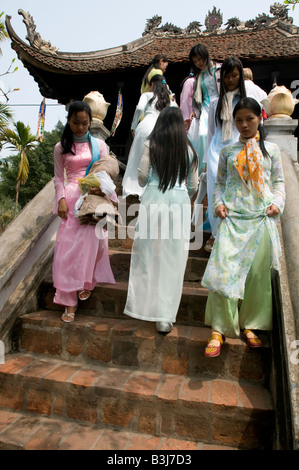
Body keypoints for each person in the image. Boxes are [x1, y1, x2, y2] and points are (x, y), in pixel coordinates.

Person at [201, 97, 285, 357]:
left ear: (260, 118)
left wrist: (278, 203)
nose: (244, 124)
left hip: (260, 219)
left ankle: (250, 323)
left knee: (257, 277)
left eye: (249, 119)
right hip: (232, 220)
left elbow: (279, 182)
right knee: (223, 272)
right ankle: (219, 328)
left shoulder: (271, 150)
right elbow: (220, 185)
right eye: (239, 120)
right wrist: (217, 204)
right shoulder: (228, 151)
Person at [124, 107, 198, 333]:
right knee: (173, 258)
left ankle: (145, 306)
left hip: (154, 198)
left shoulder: (151, 145)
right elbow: (194, 186)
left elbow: (143, 178)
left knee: (147, 253)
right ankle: (165, 317)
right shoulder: (190, 151)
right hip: (179, 201)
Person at [52, 101, 116, 323]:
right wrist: (60, 199)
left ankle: (86, 282)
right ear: (69, 120)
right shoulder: (60, 147)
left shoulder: (100, 145)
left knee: (92, 244)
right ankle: (68, 301)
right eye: (76, 123)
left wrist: (102, 187)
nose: (80, 127)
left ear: (91, 122)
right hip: (70, 200)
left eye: (84, 123)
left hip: (92, 198)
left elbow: (106, 173)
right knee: (68, 250)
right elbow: (59, 178)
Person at [201, 56, 247, 251]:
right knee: (214, 194)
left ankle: (233, 233)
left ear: (240, 76)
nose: (230, 80)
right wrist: (206, 162)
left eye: (234, 75)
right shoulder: (214, 104)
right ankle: (215, 234)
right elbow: (212, 133)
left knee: (235, 193)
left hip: (239, 151)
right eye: (226, 76)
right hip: (216, 153)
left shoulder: (246, 103)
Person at [122, 74, 177, 198]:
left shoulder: (147, 95)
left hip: (145, 126)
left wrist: (133, 126)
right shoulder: (170, 100)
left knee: (138, 157)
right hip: (162, 129)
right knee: (157, 161)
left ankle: (134, 187)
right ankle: (151, 190)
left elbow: (139, 108)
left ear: (152, 85)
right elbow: (176, 113)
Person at [180, 43, 220, 176]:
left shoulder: (218, 70)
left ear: (205, 56)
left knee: (218, 135)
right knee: (203, 135)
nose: (198, 63)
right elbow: (198, 99)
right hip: (205, 108)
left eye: (199, 59)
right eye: (195, 61)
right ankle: (203, 168)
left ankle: (218, 165)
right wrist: (194, 111)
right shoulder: (198, 77)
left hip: (219, 106)